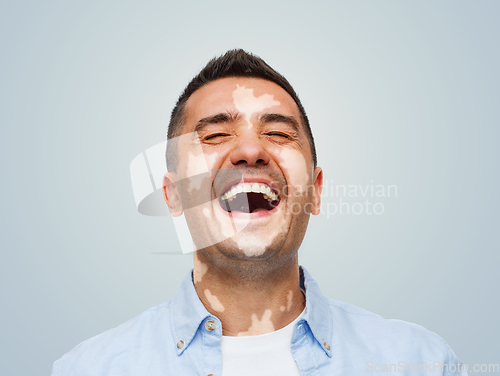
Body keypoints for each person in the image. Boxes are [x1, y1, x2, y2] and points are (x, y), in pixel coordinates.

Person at [52, 49, 466, 376]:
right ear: (174, 195)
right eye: (215, 135)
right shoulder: (88, 370)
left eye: (278, 133)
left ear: (315, 192)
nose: (251, 151)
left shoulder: (421, 362)